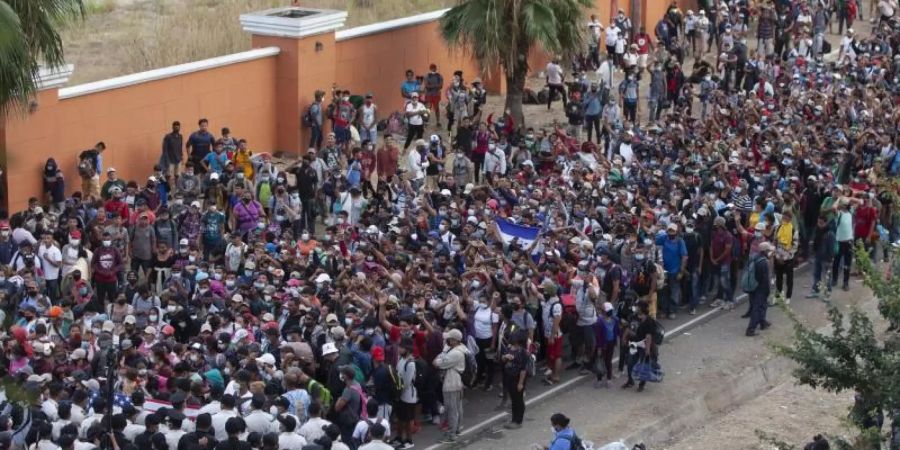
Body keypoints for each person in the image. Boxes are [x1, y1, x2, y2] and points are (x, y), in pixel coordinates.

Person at [433, 328, 467, 444]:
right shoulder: (461, 349)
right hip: (456, 382)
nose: (447, 341)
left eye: (449, 339)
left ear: (455, 340)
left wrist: (441, 355)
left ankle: (452, 434)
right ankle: (457, 429)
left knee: (451, 409)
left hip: (451, 383)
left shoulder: (455, 353)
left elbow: (437, 363)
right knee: (457, 408)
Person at [747, 242, 774, 337]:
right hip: (760, 288)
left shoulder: (754, 258)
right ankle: (751, 329)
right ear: (765, 251)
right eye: (768, 250)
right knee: (757, 308)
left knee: (762, 306)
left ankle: (763, 322)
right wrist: (768, 291)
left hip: (752, 287)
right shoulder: (764, 262)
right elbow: (765, 279)